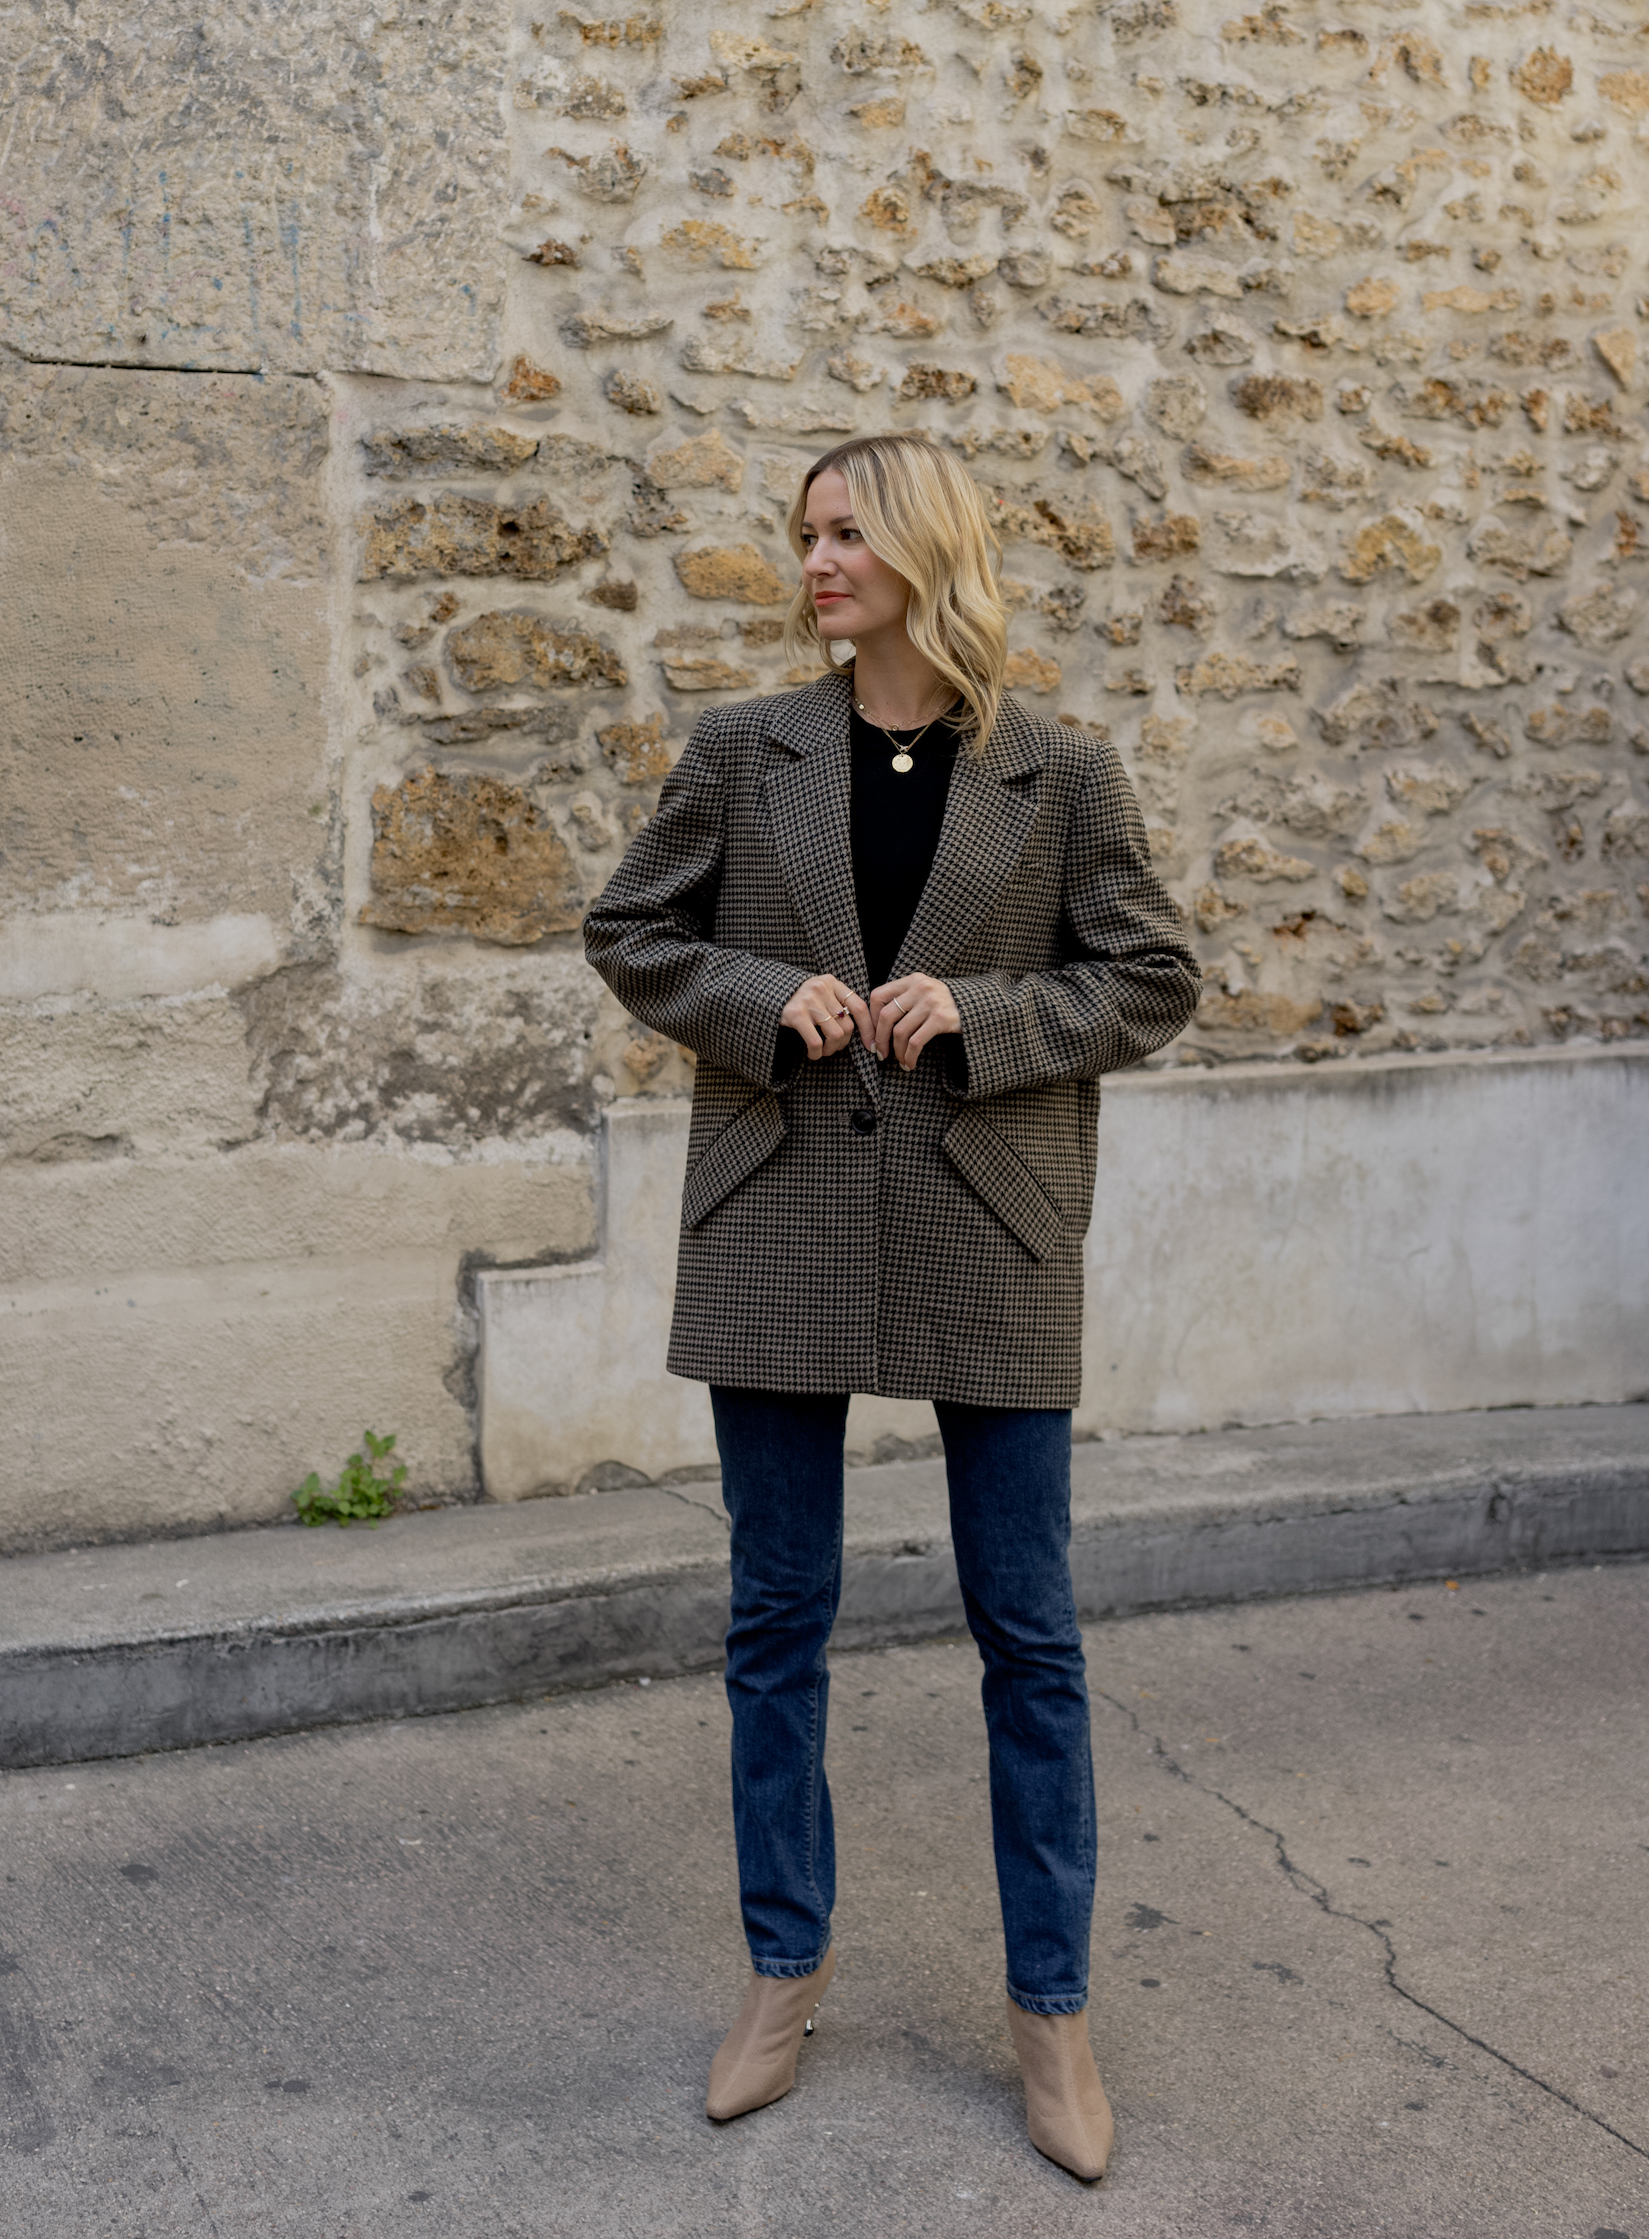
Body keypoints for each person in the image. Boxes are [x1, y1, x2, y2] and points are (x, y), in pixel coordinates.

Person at [582, 431, 1200, 2181]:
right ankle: (783, 1976)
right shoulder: (745, 749)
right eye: (807, 534)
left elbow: (1154, 975)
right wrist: (766, 997)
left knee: (1032, 1634)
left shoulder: (1060, 773)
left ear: (925, 546)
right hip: (780, 1209)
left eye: (846, 531)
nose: (817, 561)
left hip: (990, 1222)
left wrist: (985, 1017)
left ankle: (1051, 2014)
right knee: (778, 1622)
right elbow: (631, 931)